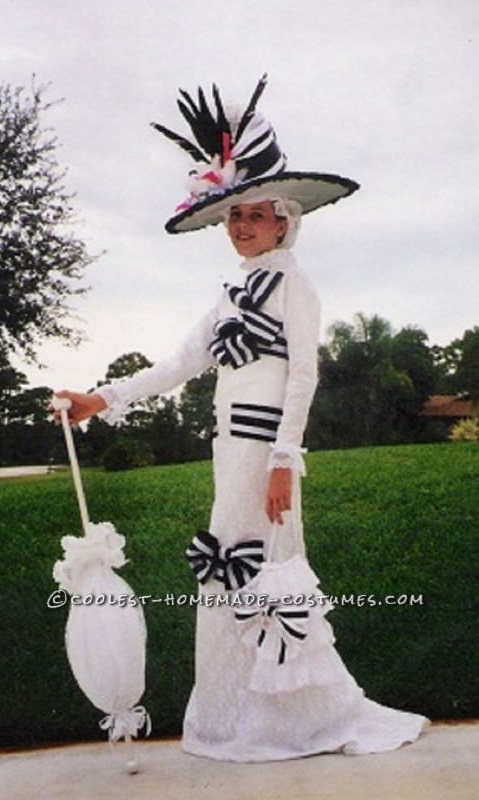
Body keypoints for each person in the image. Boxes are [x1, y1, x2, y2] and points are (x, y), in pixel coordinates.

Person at [54, 76, 429, 762]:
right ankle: (234, 716)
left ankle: (293, 719)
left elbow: (303, 376)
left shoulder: (294, 283)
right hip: (232, 451)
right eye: (232, 218)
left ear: (283, 220)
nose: (240, 227)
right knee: (227, 573)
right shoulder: (229, 289)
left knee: (267, 568)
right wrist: (100, 399)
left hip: (266, 453)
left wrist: (287, 460)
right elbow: (179, 363)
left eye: (253, 216)